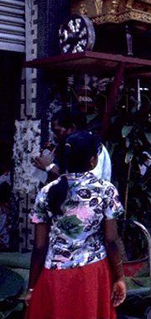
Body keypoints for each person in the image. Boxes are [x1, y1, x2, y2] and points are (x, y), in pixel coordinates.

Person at [25, 131, 126, 319]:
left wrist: (32, 287)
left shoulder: (46, 192)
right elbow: (111, 240)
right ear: (93, 161)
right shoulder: (106, 190)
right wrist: (119, 277)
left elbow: (39, 247)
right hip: (94, 273)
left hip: (55, 275)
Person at [34, 109, 112, 183]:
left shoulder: (91, 147)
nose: (55, 136)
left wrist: (50, 167)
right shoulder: (67, 148)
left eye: (58, 131)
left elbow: (86, 183)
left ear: (72, 128)